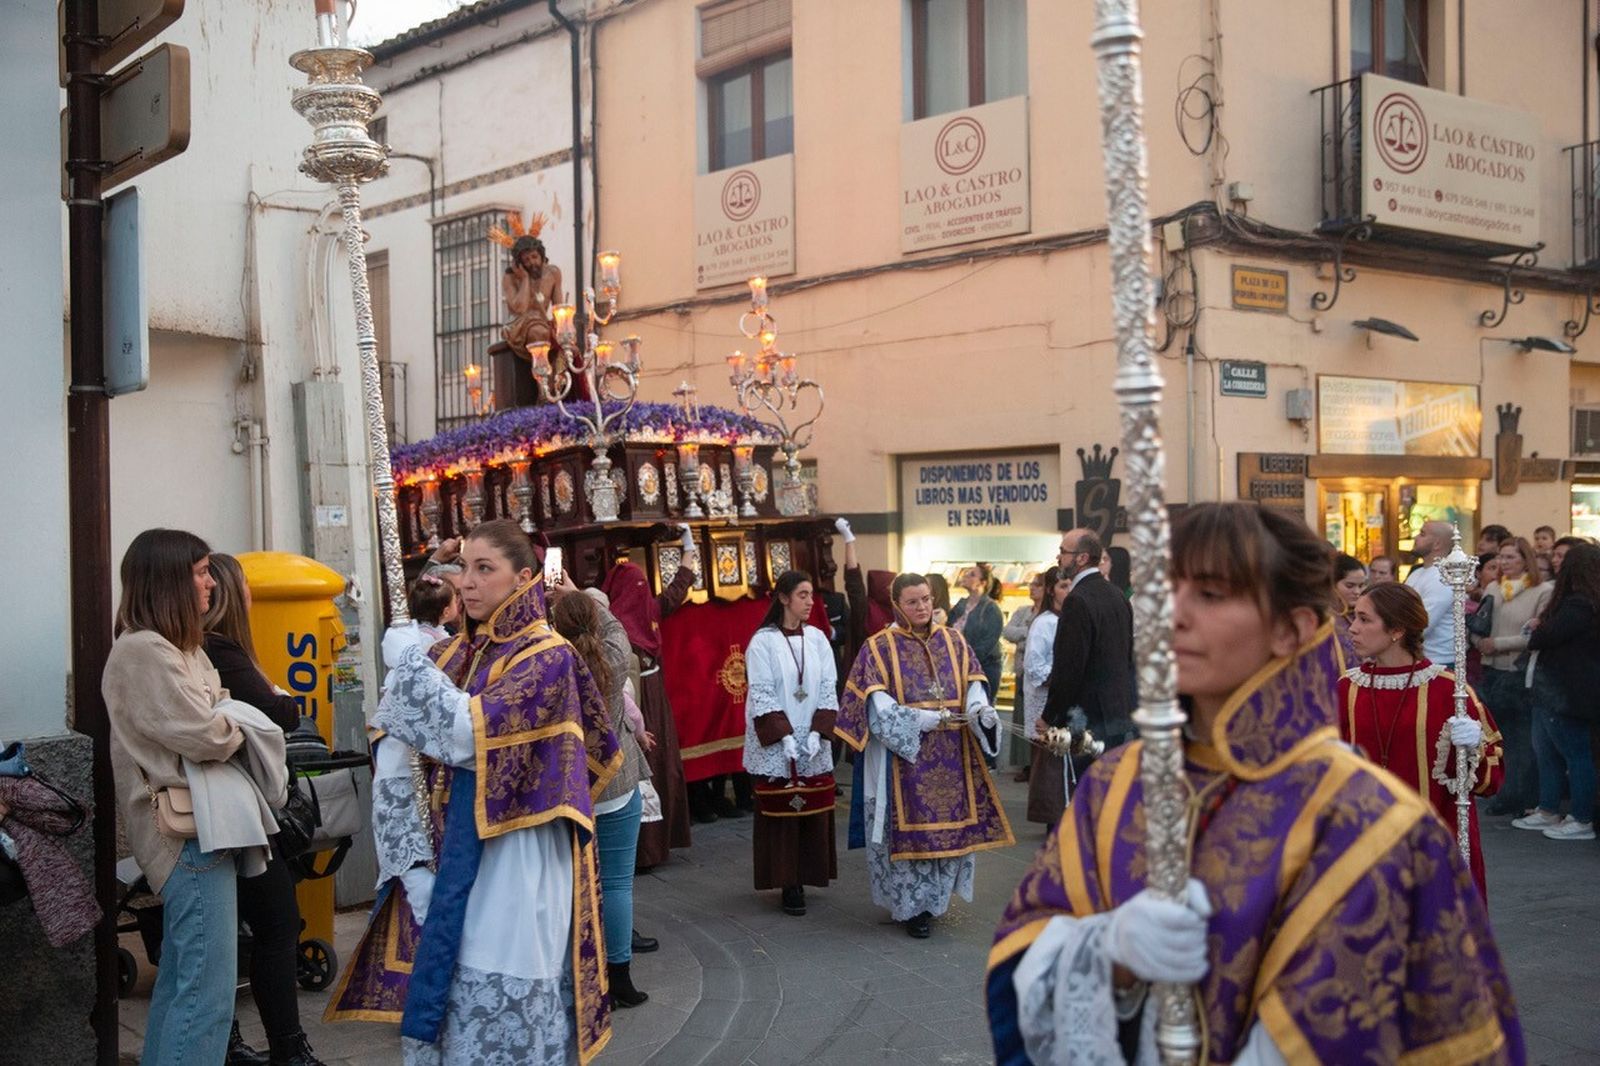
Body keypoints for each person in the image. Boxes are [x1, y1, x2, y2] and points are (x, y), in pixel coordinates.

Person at [987, 503, 1523, 1065]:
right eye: (1167, 588)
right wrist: (1107, 957)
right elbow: (1022, 951)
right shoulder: (1117, 785)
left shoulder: (1382, 823)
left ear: (1291, 630)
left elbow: (1458, 1038)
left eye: (1212, 594)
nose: (1173, 614)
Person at [326, 519, 620, 1064]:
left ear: (523, 579)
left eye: (485, 569)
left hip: (518, 865)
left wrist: (412, 672)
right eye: (463, 566)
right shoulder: (449, 657)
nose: (467, 581)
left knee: (509, 1024)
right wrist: (409, 865)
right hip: (447, 865)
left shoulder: (548, 657)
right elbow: (393, 753)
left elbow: (470, 735)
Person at [103, 530, 251, 1066]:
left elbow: (221, 707)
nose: (211, 582)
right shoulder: (142, 649)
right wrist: (237, 726)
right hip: (184, 834)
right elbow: (208, 730)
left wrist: (226, 718)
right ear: (168, 580)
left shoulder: (179, 646)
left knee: (189, 981)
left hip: (205, 826)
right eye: (200, 571)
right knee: (205, 990)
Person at [837, 573, 1012, 939]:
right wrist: (918, 719)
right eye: (913, 601)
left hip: (952, 756)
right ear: (897, 605)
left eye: (927, 599)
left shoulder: (955, 640)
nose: (922, 607)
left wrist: (981, 710)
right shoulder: (878, 647)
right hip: (904, 759)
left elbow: (974, 684)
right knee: (910, 831)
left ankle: (934, 902)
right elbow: (875, 706)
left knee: (947, 834)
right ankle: (911, 907)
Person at [202, 554, 325, 1066]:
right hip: (235, 810)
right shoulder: (221, 649)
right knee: (275, 925)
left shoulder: (207, 649)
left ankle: (237, 1044)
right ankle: (283, 1051)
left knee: (240, 931)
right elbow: (279, 711)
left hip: (232, 808)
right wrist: (281, 700)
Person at [1339, 582, 1503, 896]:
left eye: (1364, 619)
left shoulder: (1449, 691)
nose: (1353, 628)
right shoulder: (1348, 688)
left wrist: (1473, 750)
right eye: (1354, 617)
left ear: (1396, 630)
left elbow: (1490, 780)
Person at [548, 583, 653, 1006]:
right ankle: (621, 979)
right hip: (617, 782)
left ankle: (577, 978)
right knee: (617, 885)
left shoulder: (553, 666)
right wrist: (581, 596)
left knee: (570, 886)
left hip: (572, 789)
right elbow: (617, 632)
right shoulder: (612, 659)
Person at [743, 571, 840, 917]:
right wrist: (783, 736)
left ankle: (809, 873)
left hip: (810, 738)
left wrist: (817, 732)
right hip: (778, 740)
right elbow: (762, 691)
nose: (810, 601)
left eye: (811, 594)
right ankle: (788, 882)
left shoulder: (817, 639)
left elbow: (829, 684)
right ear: (783, 598)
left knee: (811, 808)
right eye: (802, 594)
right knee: (783, 811)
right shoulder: (763, 642)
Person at [600, 526, 696, 862]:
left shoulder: (649, 610)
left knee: (664, 766)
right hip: (631, 702)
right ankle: (640, 851)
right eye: (636, 587)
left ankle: (660, 844)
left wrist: (688, 547)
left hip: (655, 696)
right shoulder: (612, 626)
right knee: (638, 769)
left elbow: (676, 591)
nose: (643, 592)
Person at [1516, 541, 1600, 840]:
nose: (1556, 563)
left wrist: (1539, 628)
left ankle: (1581, 818)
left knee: (1574, 755)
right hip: (1555, 690)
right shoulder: (1580, 602)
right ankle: (1548, 808)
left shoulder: (1579, 604)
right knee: (1547, 753)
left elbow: (1543, 637)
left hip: (1567, 692)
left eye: (1563, 560)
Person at [1475, 536, 1551, 818]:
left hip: (1517, 671)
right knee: (1498, 737)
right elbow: (1481, 621)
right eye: (1501, 558)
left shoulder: (1542, 591)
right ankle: (1502, 792)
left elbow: (1535, 634)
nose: (1504, 563)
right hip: (1491, 669)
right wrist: (1478, 639)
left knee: (1521, 739)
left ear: (1525, 560)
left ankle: (1521, 796)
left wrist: (1499, 643)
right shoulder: (1493, 587)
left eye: (1511, 557)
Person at [1042, 530, 1136, 749]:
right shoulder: (1118, 595)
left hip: (1087, 718)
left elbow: (1069, 666)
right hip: (1117, 713)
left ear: (1081, 558)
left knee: (1086, 782)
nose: (1059, 558)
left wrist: (1050, 715)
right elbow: (1127, 656)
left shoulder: (1077, 600)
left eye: (1063, 552)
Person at [1024, 568, 1072, 825]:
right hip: (1047, 702)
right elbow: (1034, 667)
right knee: (1050, 767)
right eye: (1064, 586)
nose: (1069, 591)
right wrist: (1064, 677)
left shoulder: (1069, 619)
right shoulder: (1044, 623)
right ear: (1052, 590)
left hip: (1063, 702)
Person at [1004, 573, 1046, 781]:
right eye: (1031, 584)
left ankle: (1039, 764)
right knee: (1021, 718)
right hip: (1022, 671)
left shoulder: (1048, 614)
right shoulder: (1023, 611)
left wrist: (1025, 637)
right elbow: (1008, 632)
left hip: (1041, 675)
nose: (1032, 588)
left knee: (1038, 717)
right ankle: (1025, 764)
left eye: (1037, 584)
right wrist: (1028, 633)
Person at [949, 564, 1005, 710]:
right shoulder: (960, 605)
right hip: (961, 668)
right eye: (966, 573)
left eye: (972, 574)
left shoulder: (991, 609)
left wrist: (967, 660)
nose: (966, 576)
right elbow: (948, 631)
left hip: (984, 668)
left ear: (982, 583)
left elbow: (988, 642)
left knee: (982, 711)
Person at [1405, 519, 1459, 669]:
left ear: (1437, 544)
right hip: (1418, 658)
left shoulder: (1443, 578)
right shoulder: (1417, 573)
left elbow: (1422, 623)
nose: (1415, 538)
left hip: (1438, 661)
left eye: (1422, 534)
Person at [1330, 552, 1366, 666]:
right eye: (1350, 586)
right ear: (1332, 584)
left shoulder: (1364, 614)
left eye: (1361, 586)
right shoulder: (1323, 619)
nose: (1357, 592)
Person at [408, 572, 461, 646]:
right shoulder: (439, 640)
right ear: (446, 612)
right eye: (455, 601)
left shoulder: (411, 632)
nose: (458, 603)